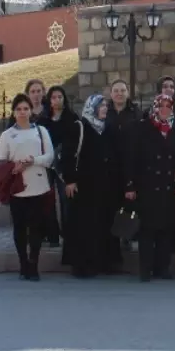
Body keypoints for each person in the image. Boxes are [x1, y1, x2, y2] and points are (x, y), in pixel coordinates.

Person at [127, 94, 175, 281]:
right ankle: (145, 269)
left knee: (166, 230)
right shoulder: (142, 128)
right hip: (147, 186)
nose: (165, 110)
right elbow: (132, 159)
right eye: (161, 106)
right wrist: (130, 185)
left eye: (168, 106)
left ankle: (163, 268)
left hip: (168, 187)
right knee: (147, 231)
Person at [0, 93, 56, 281]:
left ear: (31, 111)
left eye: (25, 109)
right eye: (19, 109)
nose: (22, 112)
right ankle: (23, 264)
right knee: (20, 228)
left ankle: (33, 264)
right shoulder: (7, 135)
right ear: (14, 112)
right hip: (18, 186)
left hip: (38, 184)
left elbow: (50, 157)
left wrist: (33, 160)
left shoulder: (41, 131)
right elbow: (0, 163)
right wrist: (14, 168)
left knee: (36, 227)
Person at [54, 94, 113, 277]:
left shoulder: (105, 128)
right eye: (101, 106)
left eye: (105, 106)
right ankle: (81, 265)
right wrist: (70, 180)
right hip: (82, 186)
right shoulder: (80, 127)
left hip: (101, 187)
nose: (104, 109)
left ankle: (98, 262)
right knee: (82, 226)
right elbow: (68, 156)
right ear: (92, 107)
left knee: (98, 225)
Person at [39, 85, 78, 248]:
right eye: (53, 97)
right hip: (48, 164)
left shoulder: (71, 118)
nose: (56, 100)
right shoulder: (43, 119)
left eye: (60, 97)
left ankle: (68, 236)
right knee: (47, 200)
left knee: (65, 200)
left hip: (65, 166)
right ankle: (52, 235)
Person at [104, 79, 139, 264]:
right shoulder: (105, 113)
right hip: (109, 167)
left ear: (127, 93)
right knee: (110, 206)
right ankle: (111, 244)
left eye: (122, 90)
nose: (119, 93)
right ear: (111, 94)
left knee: (127, 205)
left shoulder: (135, 113)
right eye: (116, 90)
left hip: (129, 164)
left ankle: (127, 237)